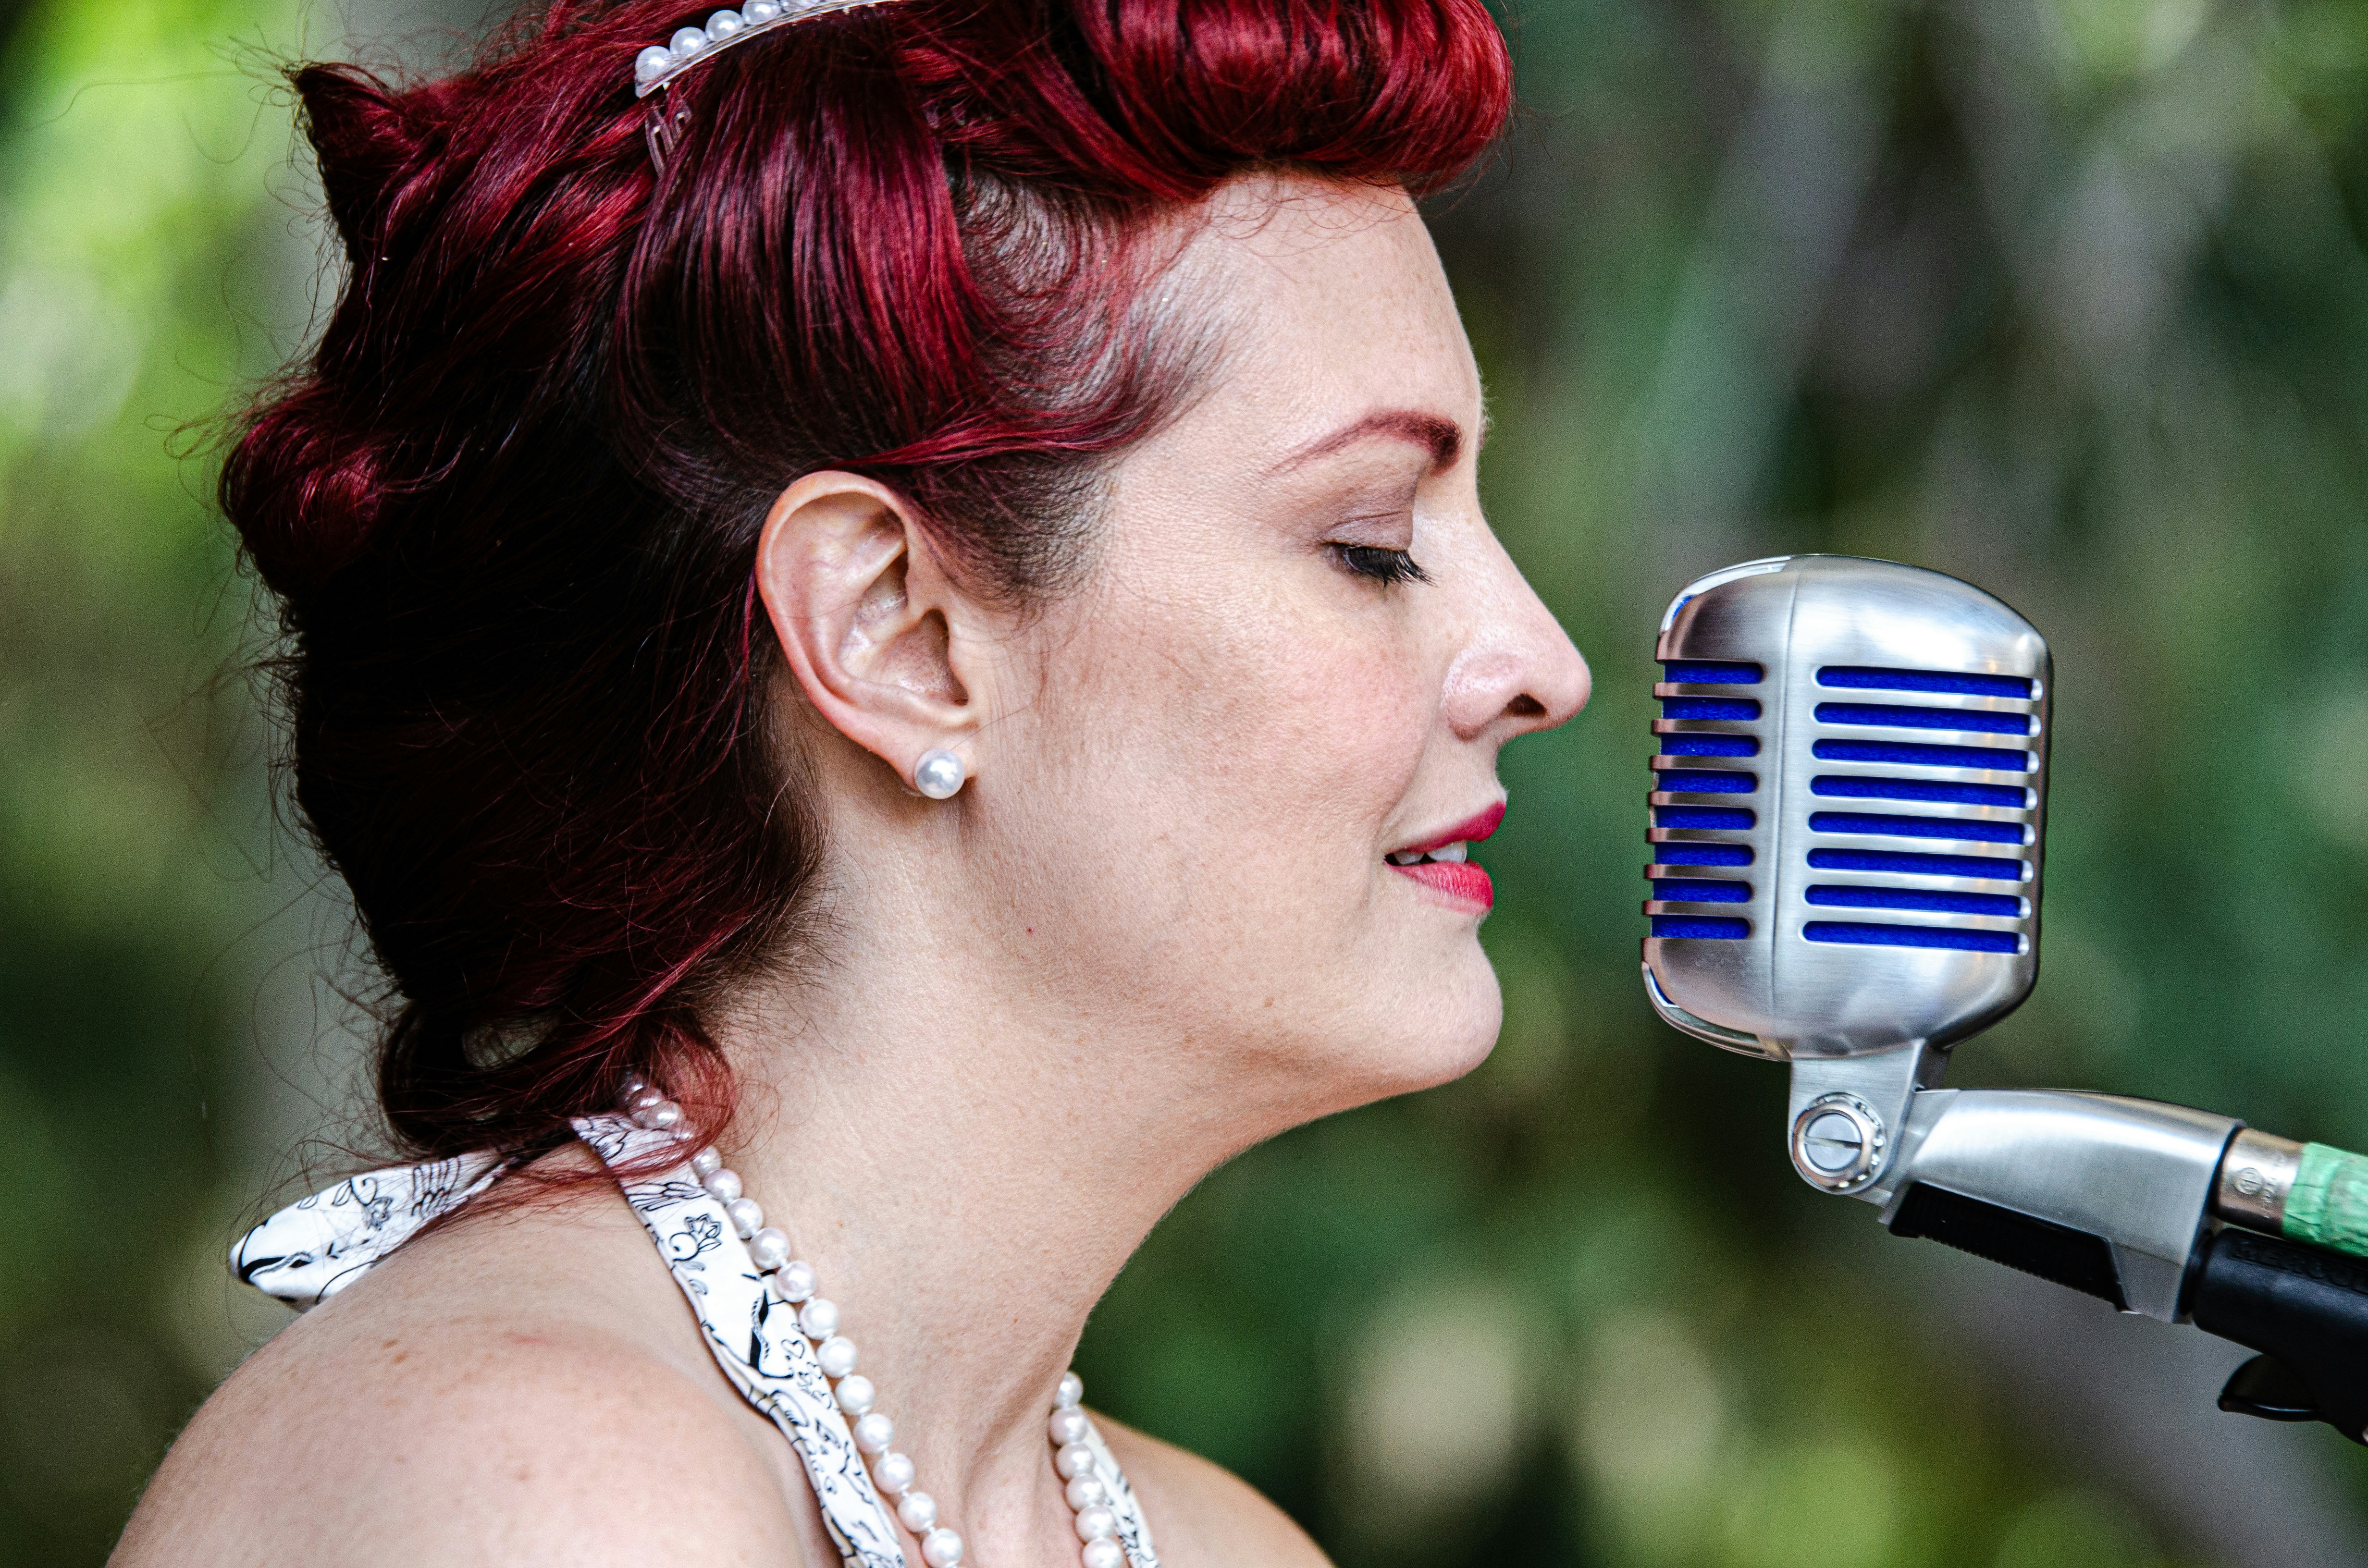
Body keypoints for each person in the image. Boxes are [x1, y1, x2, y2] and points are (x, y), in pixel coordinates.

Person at [112, 0, 1588, 1562]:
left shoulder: (1230, 1545)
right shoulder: (535, 1490)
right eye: (1371, 544)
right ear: (894, 634)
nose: (1543, 662)